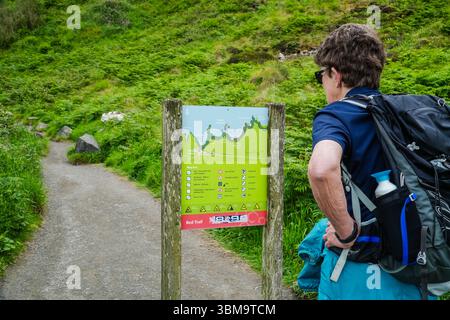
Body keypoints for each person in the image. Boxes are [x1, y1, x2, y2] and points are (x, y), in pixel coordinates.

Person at [306, 23, 432, 300]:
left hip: (358, 275)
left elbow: (321, 169)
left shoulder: (336, 115)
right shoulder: (405, 113)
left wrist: (347, 232)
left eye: (321, 76)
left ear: (335, 75)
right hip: (417, 273)